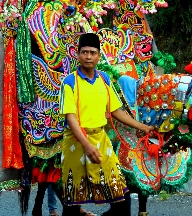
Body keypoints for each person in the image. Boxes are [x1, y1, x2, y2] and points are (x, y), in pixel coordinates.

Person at [59, 33, 154, 216]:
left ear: (98, 55)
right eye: (84, 52)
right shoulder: (69, 82)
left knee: (121, 198)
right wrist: (86, 146)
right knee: (72, 202)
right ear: (78, 55)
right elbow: (70, 118)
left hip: (101, 140)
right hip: (76, 143)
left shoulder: (104, 79)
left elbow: (116, 111)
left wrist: (143, 127)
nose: (88, 56)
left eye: (92, 52)